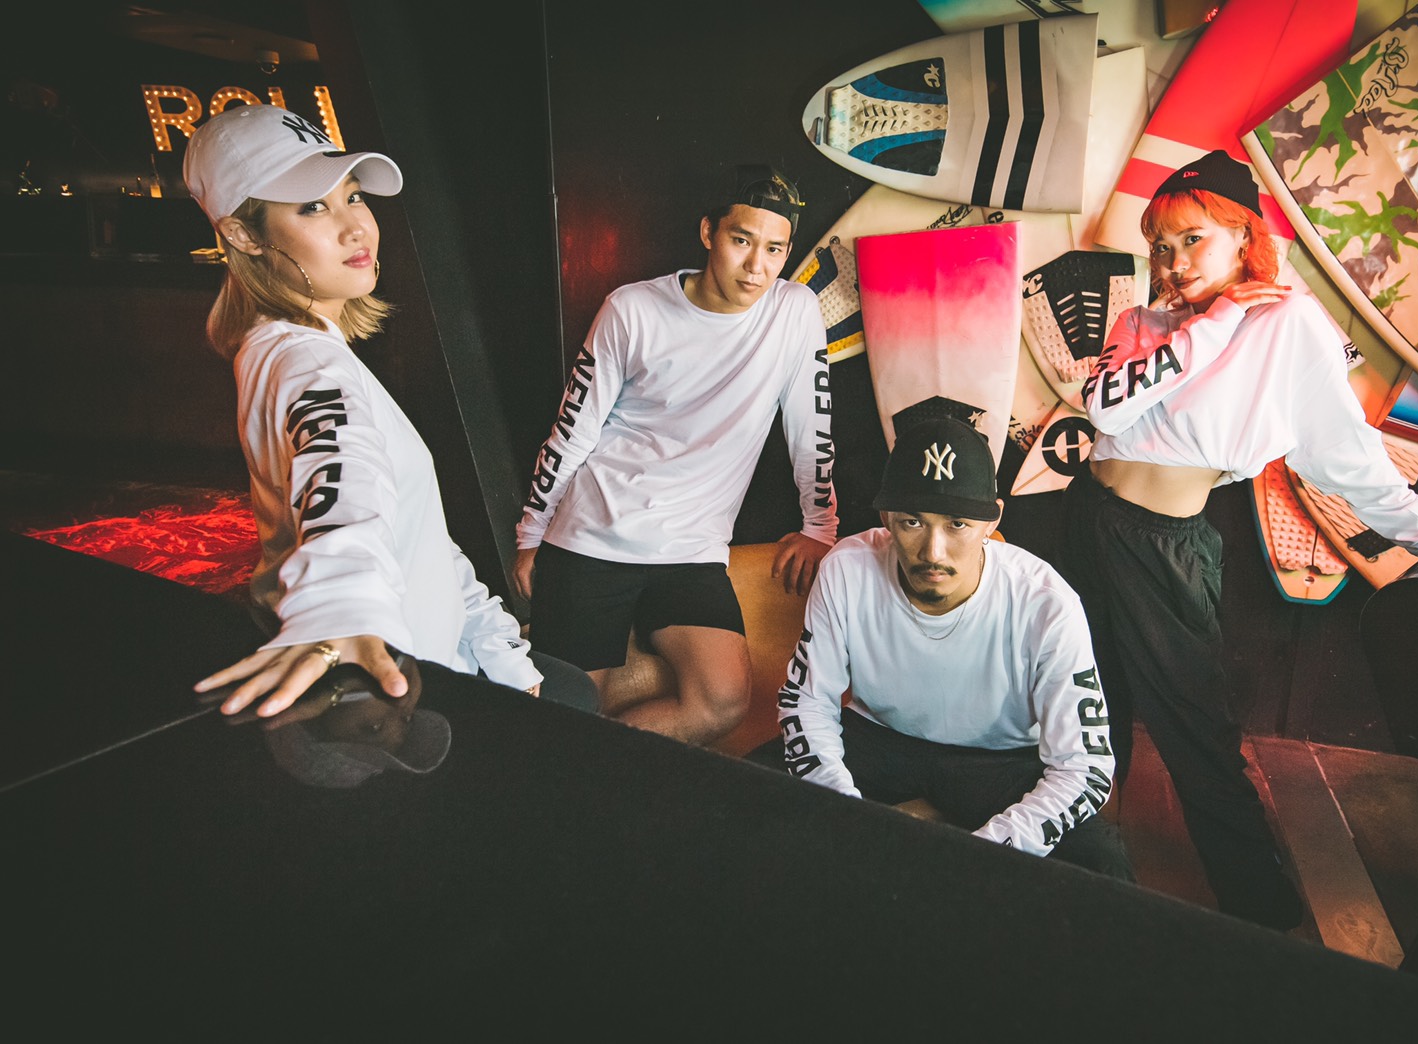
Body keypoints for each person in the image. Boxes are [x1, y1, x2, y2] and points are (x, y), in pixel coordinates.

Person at [1057, 149, 1418, 927]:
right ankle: (1080, 860)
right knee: (1080, 695)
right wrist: (1213, 322)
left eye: (1194, 240)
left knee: (1196, 730)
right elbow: (1107, 408)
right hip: (1087, 518)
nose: (1175, 262)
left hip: (1164, 544)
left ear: (1244, 237)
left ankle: (1264, 916)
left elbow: (1342, 453)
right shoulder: (1144, 322)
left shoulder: (1289, 324)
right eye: (1162, 245)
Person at [182, 103, 595, 718]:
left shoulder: (307, 346)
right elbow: (340, 473)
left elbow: (420, 536)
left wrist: (499, 649)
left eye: (352, 196)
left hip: (440, 666)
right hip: (405, 695)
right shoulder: (303, 360)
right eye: (312, 206)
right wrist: (338, 606)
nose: (356, 227)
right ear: (244, 235)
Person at [513, 165, 837, 748]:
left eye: (774, 249)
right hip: (592, 537)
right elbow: (574, 429)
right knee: (568, 711)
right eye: (742, 240)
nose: (756, 266)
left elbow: (810, 428)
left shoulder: (794, 313)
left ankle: (600, 771)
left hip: (691, 550)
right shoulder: (632, 309)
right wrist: (531, 533)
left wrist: (821, 526)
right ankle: (574, 770)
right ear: (709, 232)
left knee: (722, 699)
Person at [747, 413, 1134, 878]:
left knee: (1103, 863)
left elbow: (1084, 768)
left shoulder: (1046, 603)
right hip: (881, 738)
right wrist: (846, 816)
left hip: (1000, 760)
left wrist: (985, 853)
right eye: (913, 521)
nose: (933, 552)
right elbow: (807, 703)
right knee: (742, 793)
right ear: (887, 518)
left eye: (957, 524)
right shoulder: (847, 569)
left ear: (991, 521)